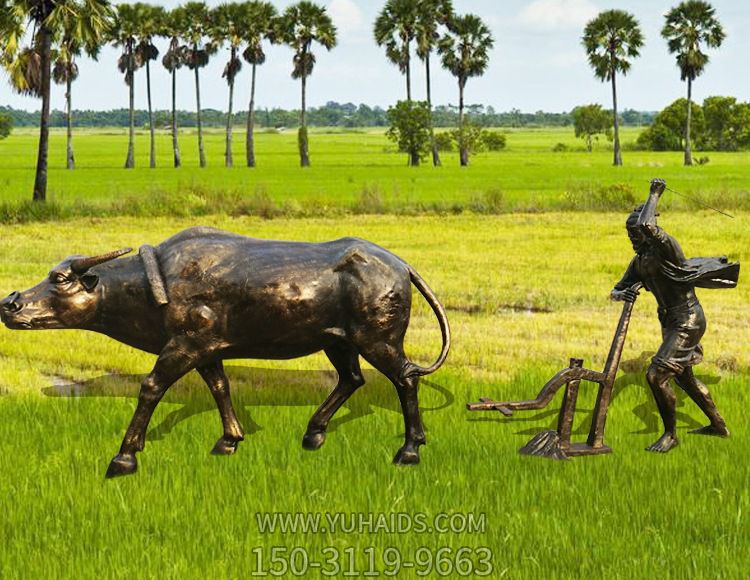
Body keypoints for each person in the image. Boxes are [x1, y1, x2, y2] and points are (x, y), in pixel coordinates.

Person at [611, 178, 740, 452]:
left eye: (636, 234)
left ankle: (670, 435)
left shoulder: (667, 248)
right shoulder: (640, 260)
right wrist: (624, 293)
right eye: (630, 235)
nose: (633, 238)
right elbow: (617, 288)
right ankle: (718, 425)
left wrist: (654, 194)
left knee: (656, 376)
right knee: (685, 378)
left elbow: (648, 224)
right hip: (669, 321)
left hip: (688, 320)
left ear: (649, 232)